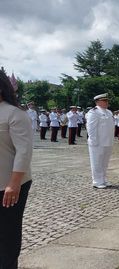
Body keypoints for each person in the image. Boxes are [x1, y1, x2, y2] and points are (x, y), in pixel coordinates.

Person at [0, 70, 33, 269]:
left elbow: (24, 151)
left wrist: (14, 184)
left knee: (7, 232)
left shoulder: (15, 113)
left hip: (9, 183)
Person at [86, 93, 115, 189]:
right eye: (104, 101)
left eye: (107, 100)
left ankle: (103, 179)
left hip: (108, 141)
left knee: (104, 162)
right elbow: (91, 128)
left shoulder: (109, 112)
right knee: (96, 162)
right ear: (98, 102)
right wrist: (93, 141)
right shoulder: (93, 112)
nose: (107, 102)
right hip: (97, 141)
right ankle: (97, 181)